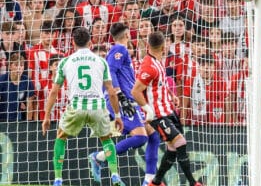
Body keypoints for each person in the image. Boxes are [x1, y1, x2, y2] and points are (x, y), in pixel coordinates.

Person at [41, 27, 125, 186]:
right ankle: (114, 175)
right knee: (106, 139)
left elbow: (53, 92)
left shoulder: (65, 61)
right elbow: (111, 92)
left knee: (61, 137)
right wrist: (118, 115)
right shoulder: (101, 61)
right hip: (98, 107)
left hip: (77, 106)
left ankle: (58, 179)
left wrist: (46, 116)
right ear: (91, 42)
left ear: (72, 42)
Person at [89, 23, 160, 186]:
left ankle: (149, 180)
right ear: (127, 35)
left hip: (129, 100)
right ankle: (98, 157)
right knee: (141, 137)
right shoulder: (119, 49)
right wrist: (120, 95)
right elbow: (111, 71)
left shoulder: (118, 50)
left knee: (153, 136)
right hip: (123, 101)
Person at [131, 31, 203, 186]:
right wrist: (148, 110)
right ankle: (193, 182)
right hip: (158, 115)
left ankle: (155, 183)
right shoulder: (149, 66)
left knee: (172, 149)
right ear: (164, 46)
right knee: (180, 143)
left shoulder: (158, 61)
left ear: (148, 45)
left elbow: (160, 82)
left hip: (168, 110)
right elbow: (135, 91)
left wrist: (171, 94)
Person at [0, 53, 34, 121]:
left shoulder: (27, 81)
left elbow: (29, 105)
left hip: (18, 119)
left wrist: (28, 124)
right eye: (16, 65)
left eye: (21, 65)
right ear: (9, 66)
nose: (19, 68)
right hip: (2, 118)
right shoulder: (2, 80)